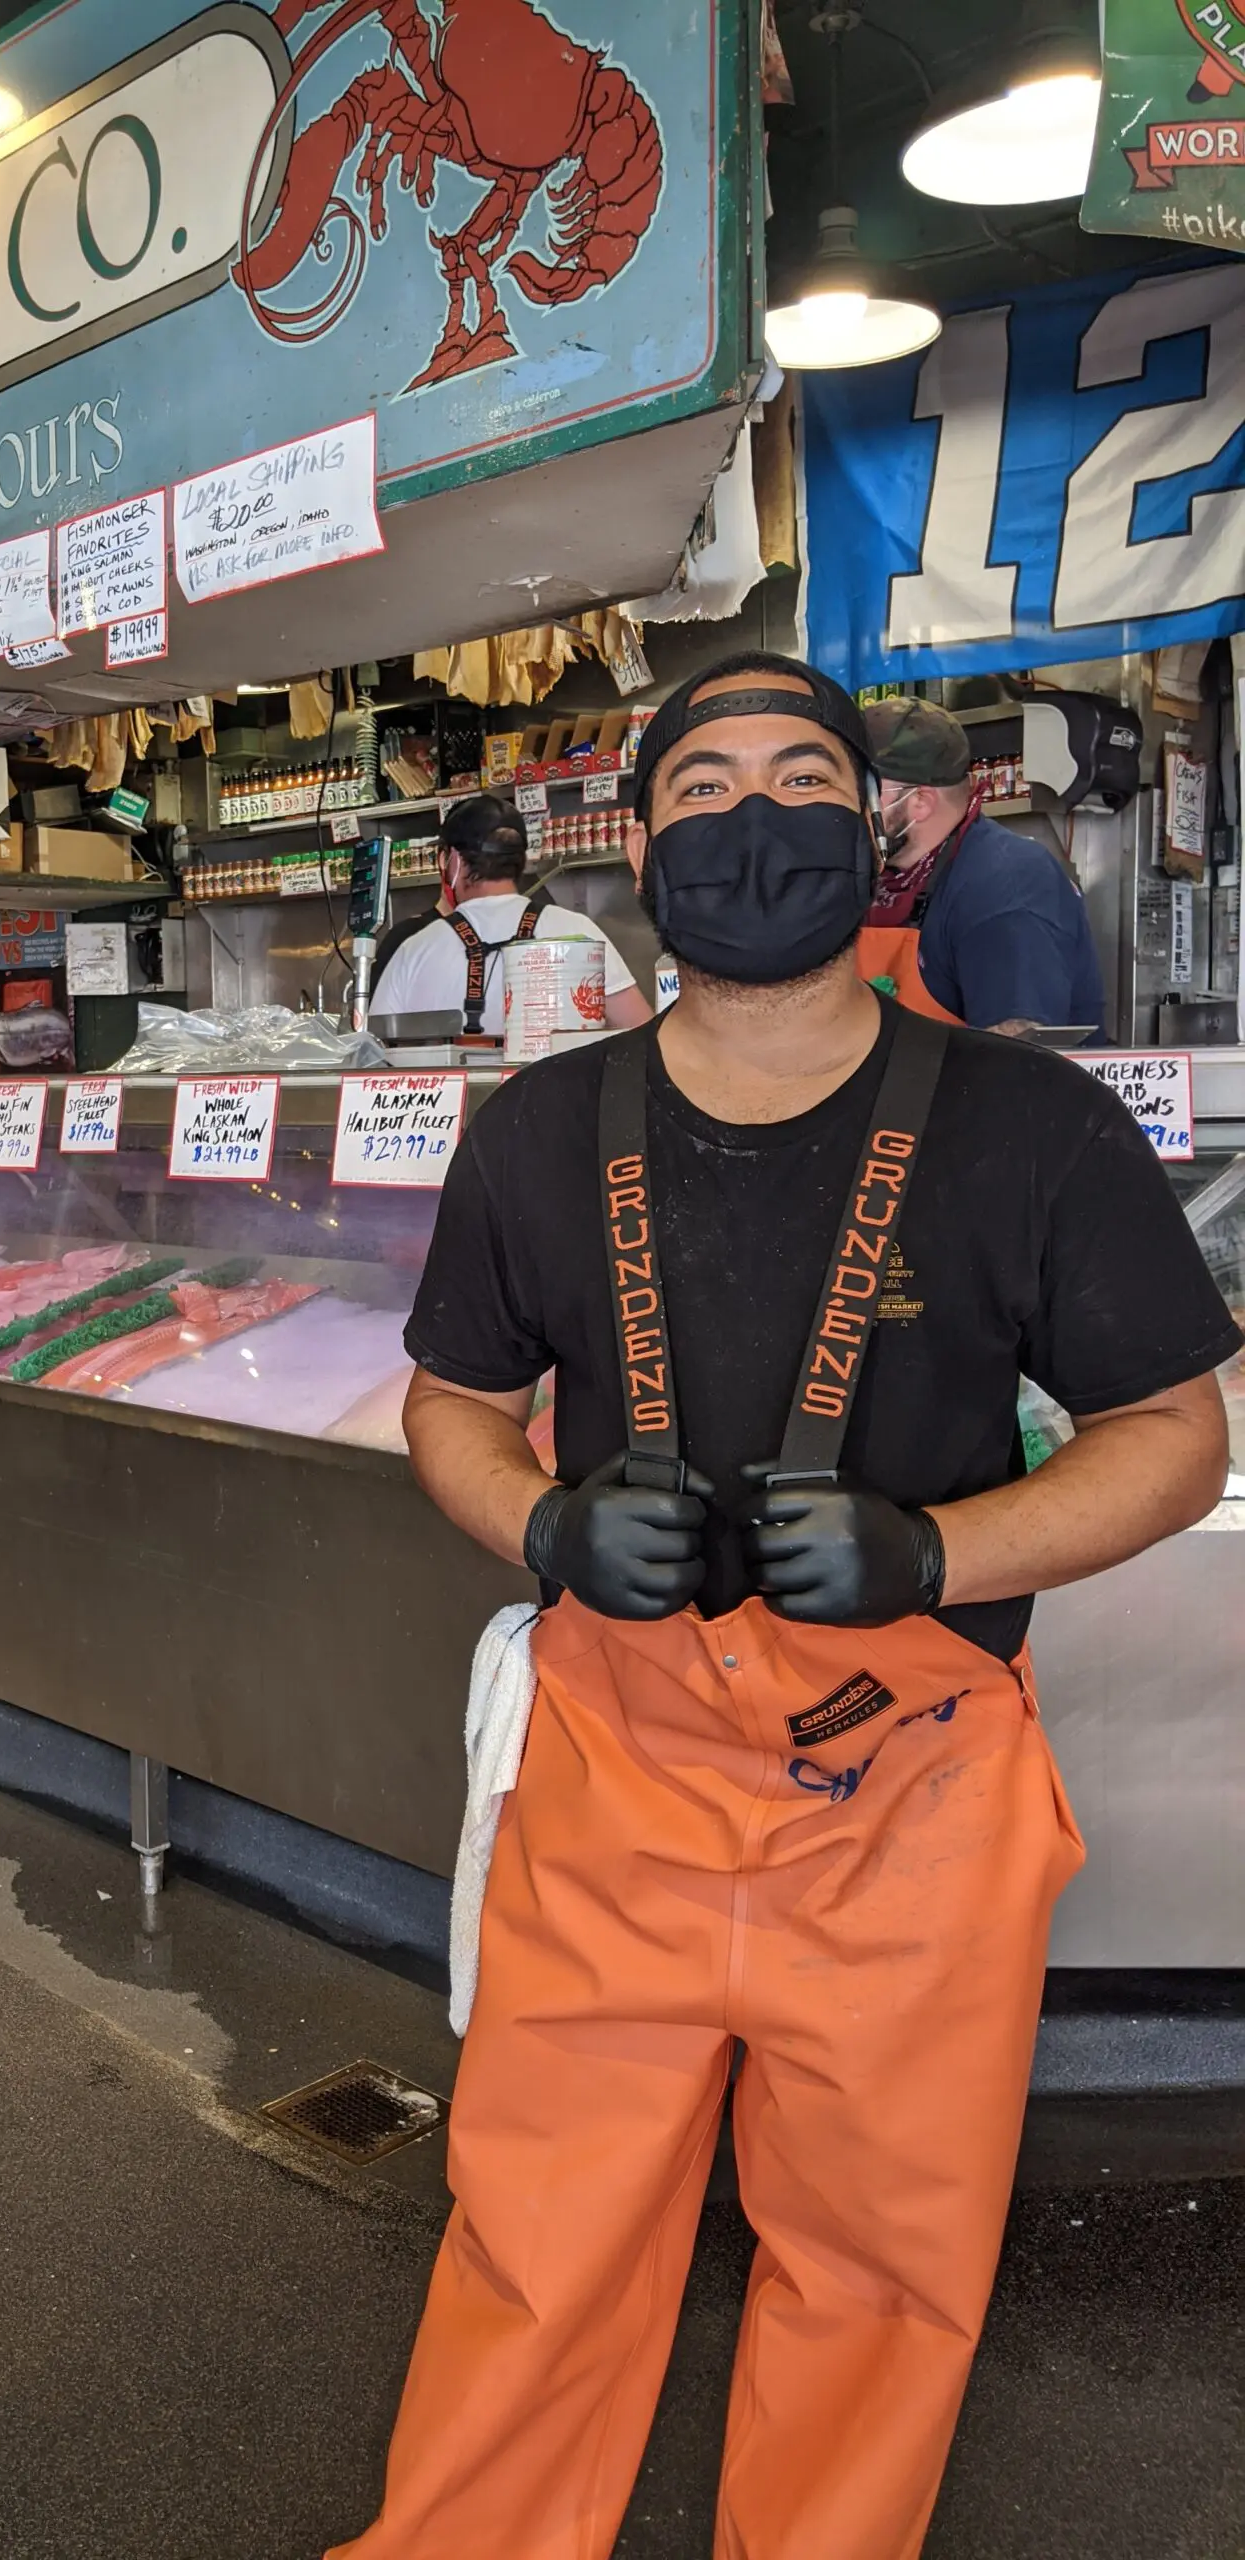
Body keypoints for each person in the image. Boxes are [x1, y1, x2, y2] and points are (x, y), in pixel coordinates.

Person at [333, 650, 1237, 2560]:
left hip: (910, 1797)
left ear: (884, 829)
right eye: (712, 786)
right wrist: (544, 1532)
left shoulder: (1032, 1125)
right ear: (645, 846)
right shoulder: (536, 1132)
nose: (759, 818)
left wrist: (941, 1554)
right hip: (617, 1779)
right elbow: (454, 1408)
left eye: (805, 778)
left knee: (882, 2274)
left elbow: (1169, 1430)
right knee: (537, 2245)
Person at [859, 695, 1107, 1034]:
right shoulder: (877, 876)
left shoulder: (1006, 883)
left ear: (919, 802)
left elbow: (1018, 1052)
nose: (846, 804)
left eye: (864, 790)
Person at [367, 791, 650, 1037]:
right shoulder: (578, 932)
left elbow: (374, 1055)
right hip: (563, 1097)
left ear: (452, 861)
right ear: (522, 860)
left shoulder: (415, 950)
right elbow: (643, 1033)